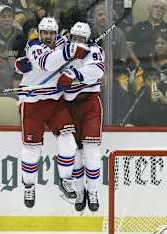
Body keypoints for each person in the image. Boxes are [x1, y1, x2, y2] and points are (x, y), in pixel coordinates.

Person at [15, 17, 89, 208]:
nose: (47, 36)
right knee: (32, 150)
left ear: (56, 34)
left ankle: (65, 180)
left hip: (55, 101)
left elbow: (78, 50)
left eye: (51, 33)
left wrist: (83, 46)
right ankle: (29, 186)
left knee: (69, 142)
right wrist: (70, 51)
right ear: (39, 33)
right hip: (32, 103)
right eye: (44, 33)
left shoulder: (63, 43)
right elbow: (48, 62)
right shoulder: (33, 46)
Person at [57, 22, 104, 212]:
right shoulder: (63, 51)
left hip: (90, 105)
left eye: (81, 39)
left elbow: (97, 70)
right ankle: (79, 191)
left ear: (87, 39)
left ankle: (93, 191)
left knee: (91, 151)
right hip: (69, 107)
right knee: (75, 152)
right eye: (74, 38)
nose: (77, 42)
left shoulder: (95, 50)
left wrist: (73, 74)